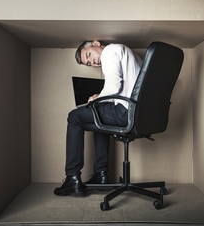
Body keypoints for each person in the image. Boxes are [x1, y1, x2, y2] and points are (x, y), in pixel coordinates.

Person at [54, 40, 142, 196]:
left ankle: (72, 177)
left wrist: (96, 98)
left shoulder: (110, 51)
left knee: (74, 117)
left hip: (125, 112)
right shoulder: (129, 54)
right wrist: (99, 101)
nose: (93, 62)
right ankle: (101, 175)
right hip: (137, 114)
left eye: (89, 55)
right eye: (89, 64)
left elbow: (114, 86)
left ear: (96, 43)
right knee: (98, 116)